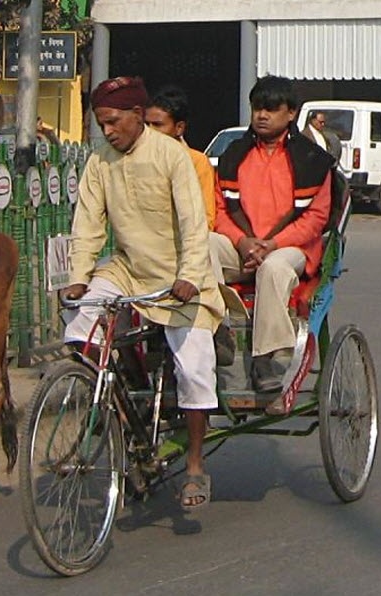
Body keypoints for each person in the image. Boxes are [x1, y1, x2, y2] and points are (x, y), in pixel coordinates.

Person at [63, 76, 225, 509]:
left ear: (138, 115)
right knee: (80, 326)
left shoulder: (173, 156)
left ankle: (194, 465)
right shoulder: (99, 161)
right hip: (128, 270)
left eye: (114, 122)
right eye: (101, 124)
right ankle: (114, 414)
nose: (108, 131)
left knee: (194, 369)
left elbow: (195, 224)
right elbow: (87, 223)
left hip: (180, 278)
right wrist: (79, 275)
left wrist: (190, 274)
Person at [210, 76, 334, 411]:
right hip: (243, 247)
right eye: (257, 108)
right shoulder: (234, 155)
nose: (262, 115)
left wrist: (271, 245)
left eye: (271, 109)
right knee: (203, 245)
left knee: (274, 268)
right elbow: (220, 210)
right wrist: (244, 243)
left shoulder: (311, 159)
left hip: (290, 250)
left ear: (291, 113)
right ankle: (215, 331)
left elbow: (315, 220)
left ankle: (264, 358)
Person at [145, 84, 216, 230]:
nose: (150, 131)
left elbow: (207, 219)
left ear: (179, 128)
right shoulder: (136, 159)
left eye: (158, 125)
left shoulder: (197, 162)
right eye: (147, 124)